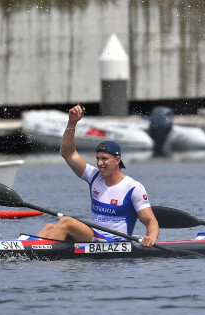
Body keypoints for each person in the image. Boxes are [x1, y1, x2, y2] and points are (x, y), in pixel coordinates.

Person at [37, 102, 159, 246]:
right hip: (95, 237)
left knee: (66, 222)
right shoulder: (94, 176)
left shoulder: (133, 188)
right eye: (98, 159)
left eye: (105, 159)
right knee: (49, 227)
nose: (100, 163)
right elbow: (67, 153)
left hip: (114, 242)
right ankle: (20, 248)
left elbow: (151, 221)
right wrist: (72, 123)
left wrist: (151, 237)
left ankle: (43, 255)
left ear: (117, 160)